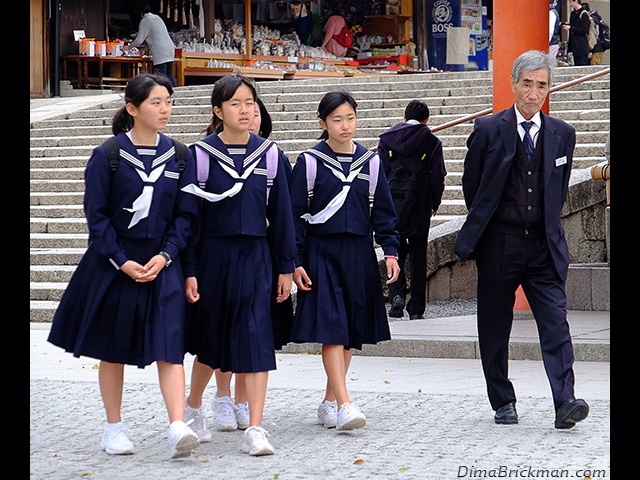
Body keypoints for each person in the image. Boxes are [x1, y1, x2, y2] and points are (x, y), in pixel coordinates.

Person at [46, 73, 200, 459]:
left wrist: (166, 256)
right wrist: (122, 261)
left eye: (168, 101)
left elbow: (186, 216)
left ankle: (177, 425)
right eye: (156, 102)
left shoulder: (181, 156)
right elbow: (96, 218)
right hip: (116, 263)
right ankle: (113, 427)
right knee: (112, 348)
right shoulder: (107, 155)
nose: (165, 109)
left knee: (170, 344)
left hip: (163, 262)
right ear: (132, 108)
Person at [454, 50, 590, 429]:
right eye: (527, 83)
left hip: (543, 245)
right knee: (495, 326)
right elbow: (472, 186)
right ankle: (502, 401)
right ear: (513, 84)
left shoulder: (563, 134)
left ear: (549, 88)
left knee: (555, 323)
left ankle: (565, 401)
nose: (534, 93)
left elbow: (557, 189)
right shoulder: (486, 130)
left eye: (542, 85)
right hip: (500, 242)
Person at [181, 74, 296, 456]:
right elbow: (190, 219)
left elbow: (283, 217)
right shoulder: (199, 156)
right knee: (212, 341)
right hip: (214, 257)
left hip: (257, 256)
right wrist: (190, 269)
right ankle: (194, 406)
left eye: (250, 102)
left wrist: (285, 267)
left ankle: (257, 429)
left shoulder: (270, 154)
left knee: (257, 337)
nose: (245, 110)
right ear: (218, 110)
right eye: (235, 103)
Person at [288, 90, 401, 431]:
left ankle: (329, 402)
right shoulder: (309, 162)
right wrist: (293, 261)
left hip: (359, 253)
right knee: (332, 330)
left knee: (349, 332)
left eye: (350, 118)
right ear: (323, 123)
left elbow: (384, 212)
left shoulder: (371, 162)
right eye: (336, 120)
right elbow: (293, 216)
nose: (345, 125)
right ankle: (345, 403)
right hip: (320, 252)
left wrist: (391, 251)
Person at [377, 100, 447, 320]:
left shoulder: (387, 140)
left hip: (393, 205)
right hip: (420, 204)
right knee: (418, 256)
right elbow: (438, 176)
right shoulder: (432, 141)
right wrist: (434, 203)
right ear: (426, 120)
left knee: (393, 251)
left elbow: (380, 174)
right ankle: (416, 308)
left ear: (404, 118)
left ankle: (396, 294)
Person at [124, 2, 178, 87]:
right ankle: (176, 93)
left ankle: (164, 95)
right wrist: (144, 50)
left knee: (161, 76)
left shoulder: (145, 21)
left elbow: (139, 40)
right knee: (169, 74)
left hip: (161, 51)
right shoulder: (157, 18)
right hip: (170, 49)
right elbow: (156, 38)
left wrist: (128, 47)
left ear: (140, 12)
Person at [562, 0, 591, 66]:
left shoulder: (584, 14)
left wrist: (570, 28)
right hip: (575, 47)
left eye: (571, 2)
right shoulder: (573, 13)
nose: (570, 4)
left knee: (582, 65)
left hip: (582, 46)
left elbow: (585, 29)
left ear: (576, 1)